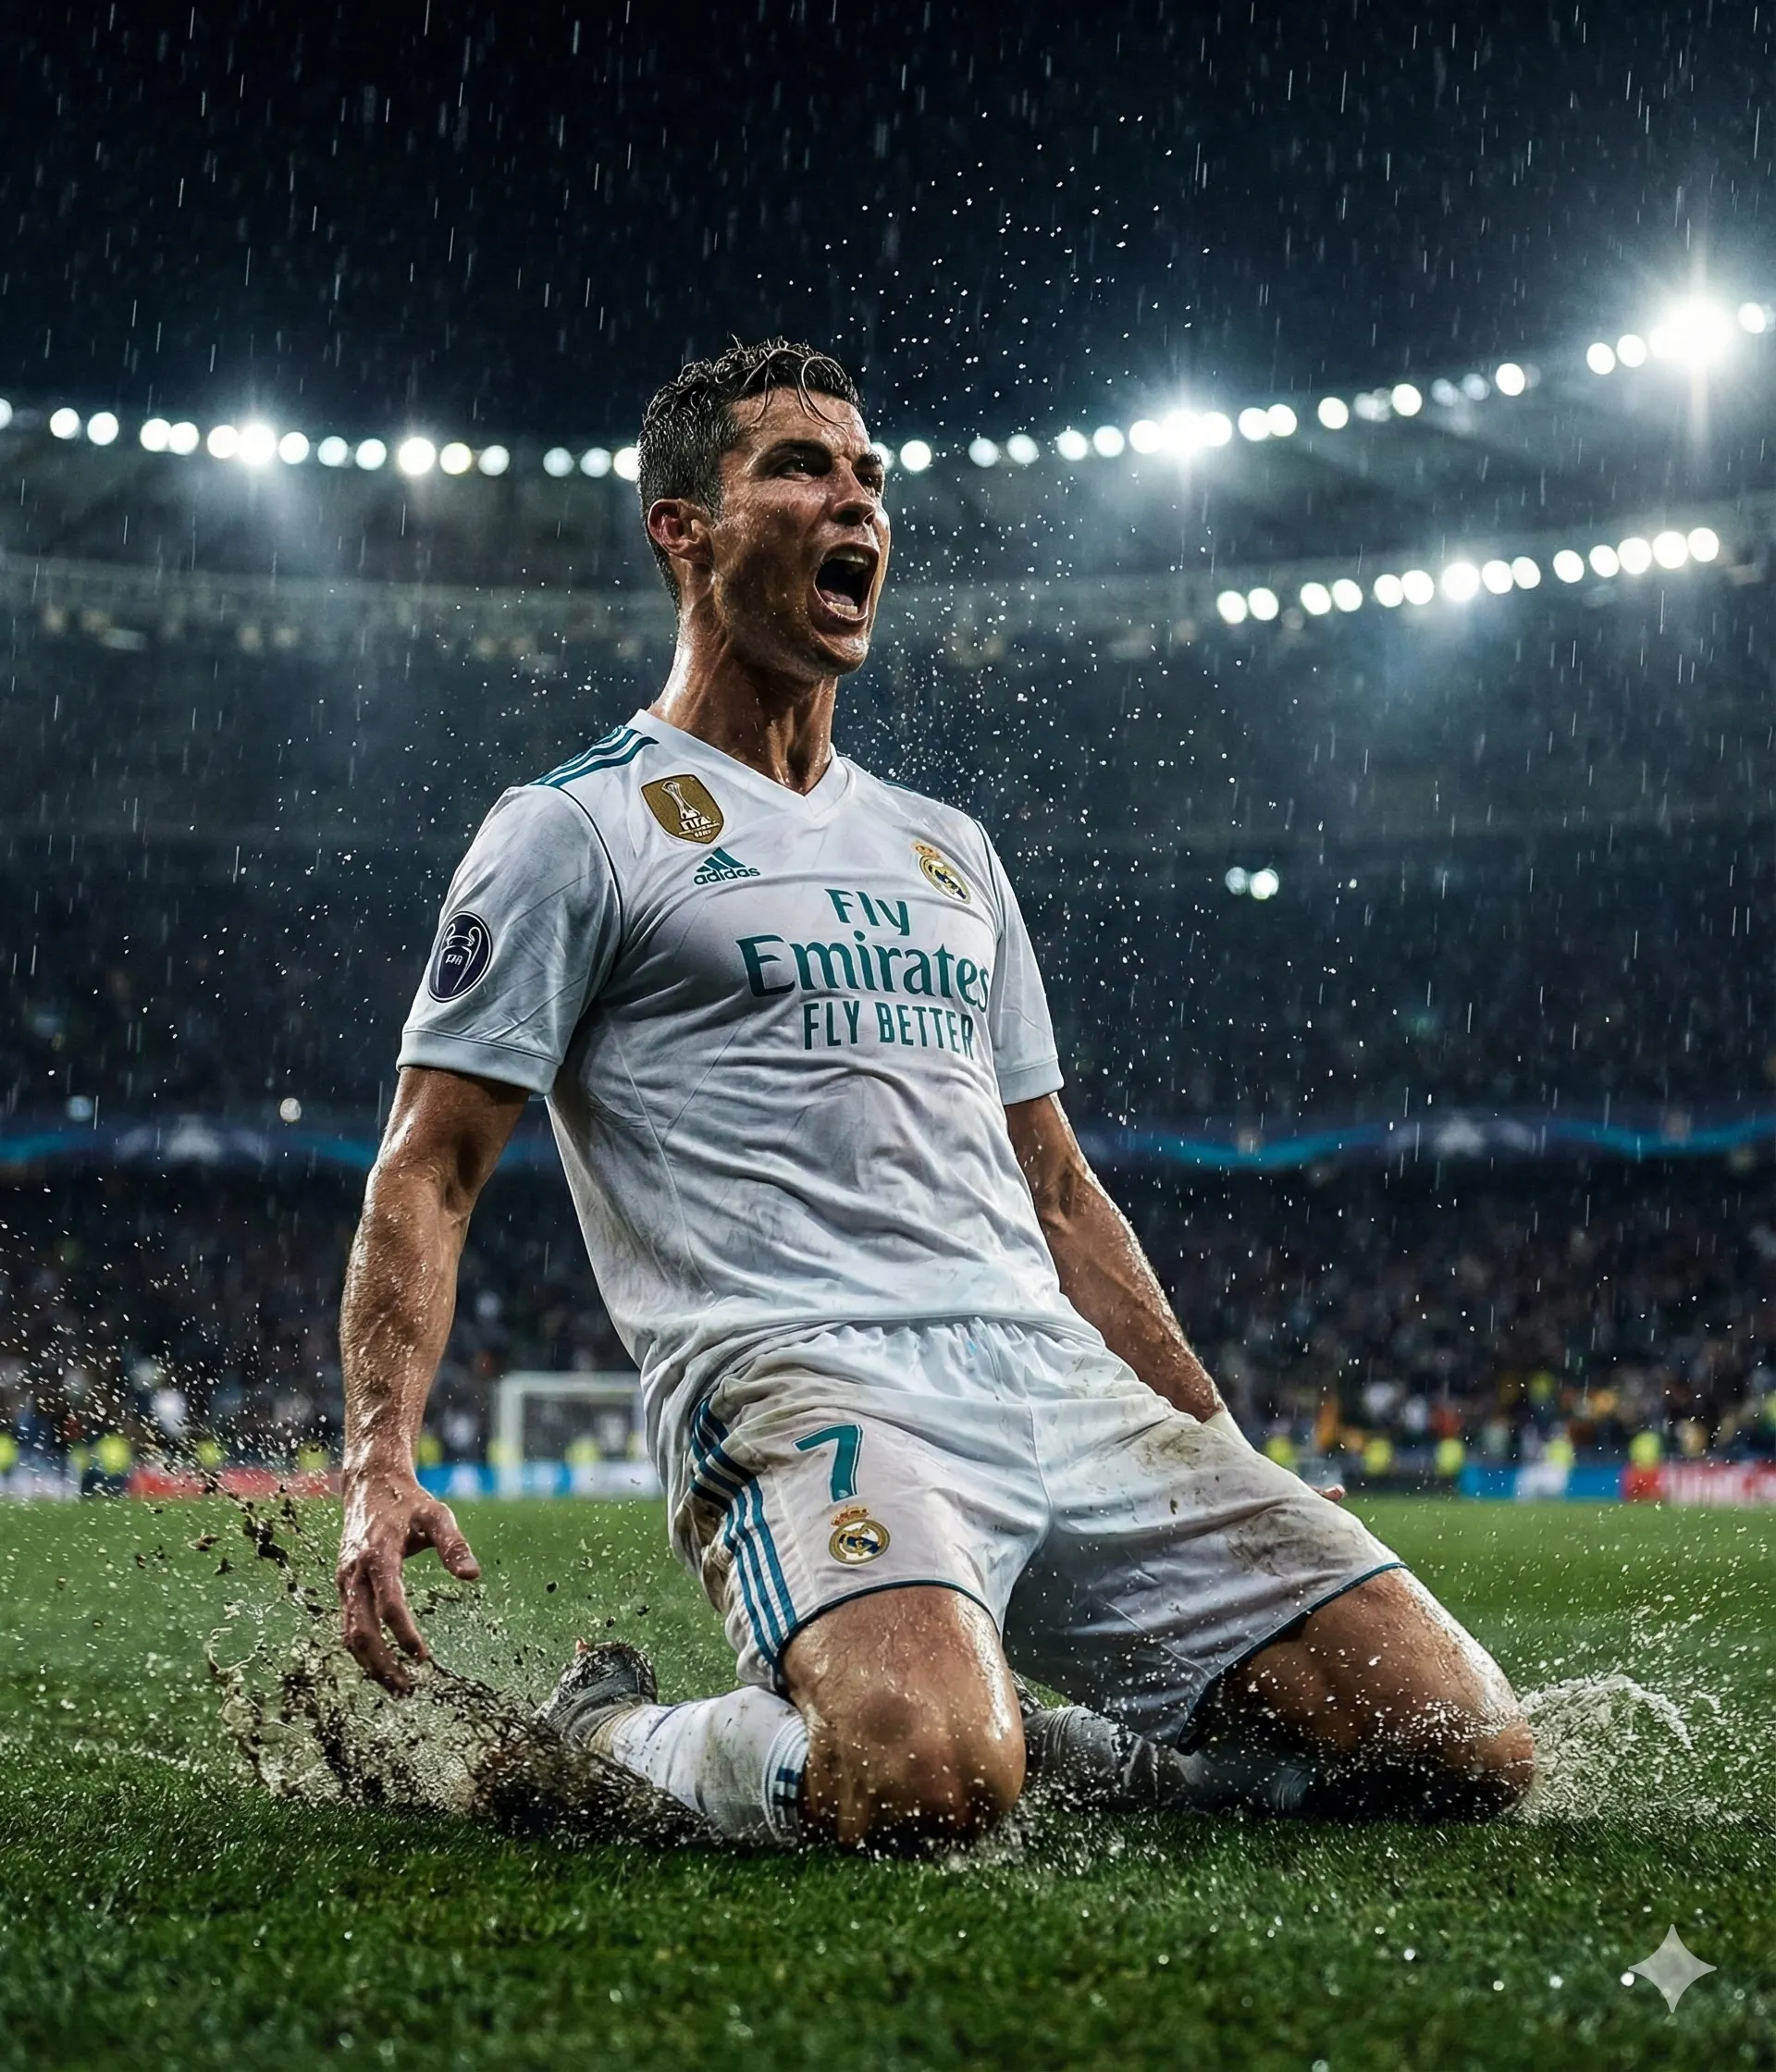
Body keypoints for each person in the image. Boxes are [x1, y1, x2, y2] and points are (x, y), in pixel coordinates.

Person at [336, 339, 1534, 1850]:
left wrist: (1210, 1440)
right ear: (680, 527)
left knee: (1458, 1750)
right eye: (800, 467)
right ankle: (613, 1732)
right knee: (927, 1785)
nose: (859, 503)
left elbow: (1056, 1190)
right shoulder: (572, 830)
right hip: (802, 1378)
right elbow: (429, 1167)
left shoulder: (946, 847)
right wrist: (380, 1462)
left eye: (871, 476)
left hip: (1045, 1372)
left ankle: (1044, 1719)